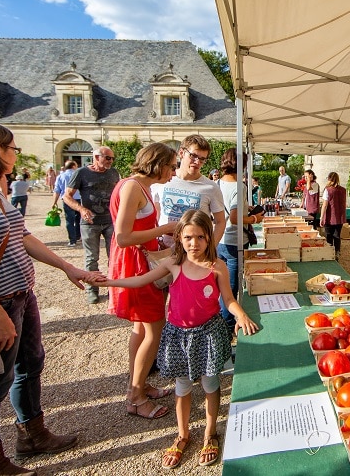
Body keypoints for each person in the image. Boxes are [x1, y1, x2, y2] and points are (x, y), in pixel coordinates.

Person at [0, 119, 104, 475]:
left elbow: (23, 236)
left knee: (29, 367)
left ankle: (32, 436)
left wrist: (66, 268)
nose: (15, 154)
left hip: (20, 297)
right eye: (11, 147)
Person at [98, 210, 259, 469]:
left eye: (200, 237)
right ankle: (183, 434)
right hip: (178, 337)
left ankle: (210, 433)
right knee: (182, 387)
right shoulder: (173, 263)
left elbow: (228, 299)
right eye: (188, 237)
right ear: (179, 238)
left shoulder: (216, 266)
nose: (194, 243)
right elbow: (141, 280)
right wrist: (108, 281)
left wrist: (240, 314)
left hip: (208, 334)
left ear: (209, 238)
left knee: (210, 384)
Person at [107, 143, 179, 420]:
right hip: (136, 263)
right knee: (153, 328)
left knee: (141, 327)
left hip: (140, 259)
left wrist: (155, 236)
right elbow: (123, 236)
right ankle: (135, 397)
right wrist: (164, 229)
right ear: (158, 164)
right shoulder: (131, 188)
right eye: (171, 166)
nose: (173, 172)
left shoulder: (138, 186)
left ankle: (138, 385)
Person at [64, 147, 120, 304]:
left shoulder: (113, 173)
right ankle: (92, 290)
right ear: (96, 157)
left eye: (112, 159)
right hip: (89, 223)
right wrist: (81, 209)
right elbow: (67, 196)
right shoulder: (81, 173)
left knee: (114, 256)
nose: (110, 161)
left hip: (110, 221)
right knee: (91, 258)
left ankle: (113, 289)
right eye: (108, 158)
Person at [217, 148, 264, 332]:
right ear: (242, 165)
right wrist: (254, 219)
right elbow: (235, 217)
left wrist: (247, 207)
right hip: (234, 242)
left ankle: (222, 323)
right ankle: (227, 330)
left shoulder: (218, 184)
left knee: (221, 287)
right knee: (231, 290)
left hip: (219, 239)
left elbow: (227, 208)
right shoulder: (240, 186)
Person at [152, 135, 226, 247]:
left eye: (202, 159)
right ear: (181, 153)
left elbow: (220, 222)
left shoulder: (211, 187)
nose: (197, 162)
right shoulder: (162, 180)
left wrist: (209, 250)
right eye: (193, 156)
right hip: (162, 250)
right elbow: (154, 214)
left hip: (194, 252)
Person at [52, 161, 82, 246]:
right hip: (79, 199)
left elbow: (57, 190)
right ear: (73, 166)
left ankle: (72, 240)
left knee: (70, 220)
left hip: (67, 200)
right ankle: (78, 236)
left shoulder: (61, 176)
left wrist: (54, 202)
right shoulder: (78, 175)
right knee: (79, 219)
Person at [319, 171, 346, 260]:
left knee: (329, 235)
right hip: (340, 216)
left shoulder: (328, 190)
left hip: (330, 216)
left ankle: (330, 253)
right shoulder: (343, 190)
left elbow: (325, 205)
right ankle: (337, 252)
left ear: (329, 179)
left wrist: (321, 217)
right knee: (337, 235)